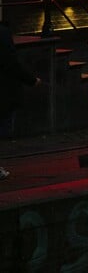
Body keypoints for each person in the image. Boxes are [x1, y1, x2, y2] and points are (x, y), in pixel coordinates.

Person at [0, 23, 42, 180]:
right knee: (3, 126)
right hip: (4, 90)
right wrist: (31, 80)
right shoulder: (2, 33)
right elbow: (11, 63)